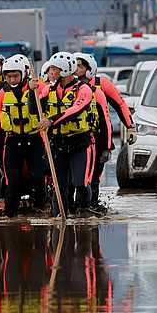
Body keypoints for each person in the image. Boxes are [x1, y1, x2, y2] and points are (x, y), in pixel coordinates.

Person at [38, 54, 99, 214]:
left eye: (54, 69)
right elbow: (34, 108)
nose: (50, 72)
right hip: (58, 143)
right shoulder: (48, 89)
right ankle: (60, 217)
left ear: (64, 70)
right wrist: (32, 93)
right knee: (60, 186)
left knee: (80, 183)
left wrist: (52, 120)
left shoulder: (83, 89)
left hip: (79, 142)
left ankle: (84, 214)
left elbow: (75, 110)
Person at [75, 52, 134, 204]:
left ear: (89, 69)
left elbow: (120, 104)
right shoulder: (66, 86)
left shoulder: (102, 84)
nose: (75, 69)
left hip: (99, 136)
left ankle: (92, 206)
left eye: (79, 66)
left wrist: (130, 127)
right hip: (76, 136)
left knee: (94, 176)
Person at [0, 55, 46, 216]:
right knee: (12, 182)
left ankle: (40, 211)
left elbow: (45, 99)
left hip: (34, 140)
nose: (12, 79)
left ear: (24, 73)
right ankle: (11, 217)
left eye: (15, 75)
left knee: (38, 178)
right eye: (8, 76)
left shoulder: (38, 87)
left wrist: (31, 89)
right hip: (13, 142)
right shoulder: (1, 95)